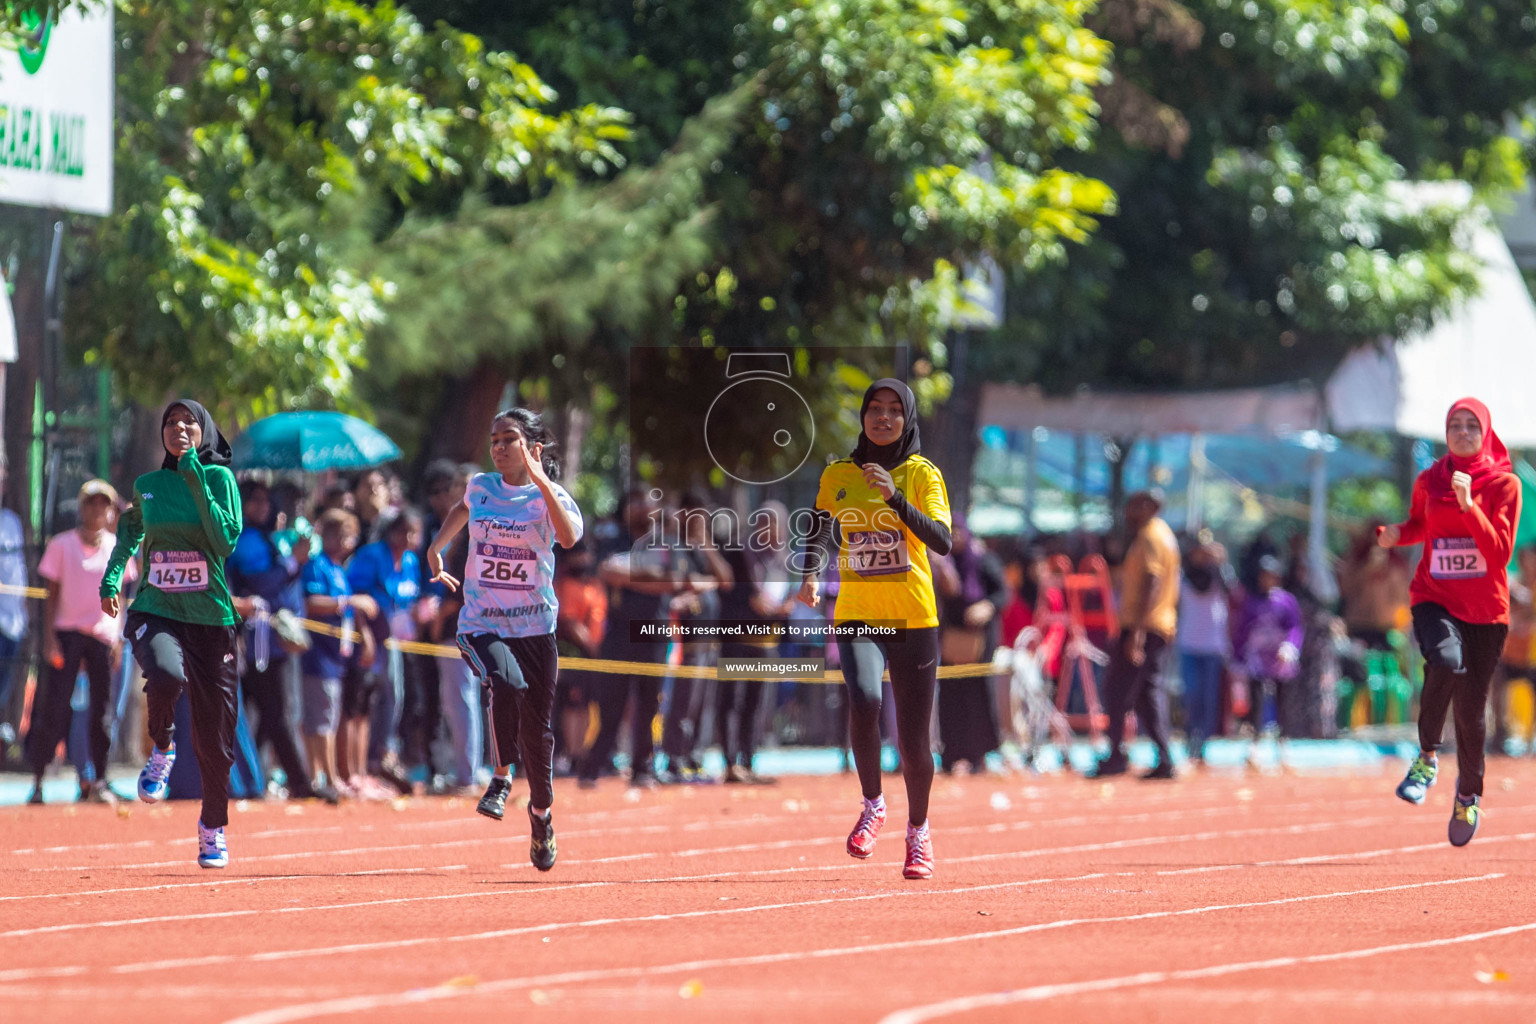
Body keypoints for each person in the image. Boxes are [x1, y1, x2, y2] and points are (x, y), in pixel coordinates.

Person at [799, 378, 952, 880]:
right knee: (864, 701)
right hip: (858, 614)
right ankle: (873, 804)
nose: (883, 418)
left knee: (912, 741)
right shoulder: (839, 473)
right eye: (874, 409)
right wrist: (809, 576)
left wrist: (895, 499)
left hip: (913, 617)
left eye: (894, 411)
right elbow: (820, 527)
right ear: (863, 416)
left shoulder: (922, 474)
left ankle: (919, 831)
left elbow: (942, 541)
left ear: (907, 420)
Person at [427, 407, 583, 871]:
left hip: (536, 626)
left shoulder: (549, 496)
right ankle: (499, 776)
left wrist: (540, 480)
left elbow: (570, 538)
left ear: (532, 448)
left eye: (507, 439)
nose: (496, 448)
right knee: (505, 682)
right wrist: (437, 549)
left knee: (539, 734)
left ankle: (542, 816)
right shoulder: (481, 486)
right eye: (493, 439)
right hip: (482, 621)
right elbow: (462, 509)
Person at [100, 400, 243, 868]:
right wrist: (111, 577)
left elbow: (223, 541)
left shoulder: (219, 479)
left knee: (216, 740)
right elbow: (128, 534)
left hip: (212, 620)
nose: (178, 428)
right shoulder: (147, 487)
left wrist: (194, 471)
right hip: (157, 609)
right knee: (164, 676)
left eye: (189, 423)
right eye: (170, 422)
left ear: (203, 432)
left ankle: (212, 828)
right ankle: (162, 747)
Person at [1382, 398, 1521, 845]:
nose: (1462, 433)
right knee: (1443, 660)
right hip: (1434, 596)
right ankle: (1425, 758)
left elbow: (1500, 553)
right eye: (1454, 426)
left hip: (1485, 613)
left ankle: (1468, 795)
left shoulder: (1504, 484)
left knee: (1470, 711)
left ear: (1485, 432)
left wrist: (1468, 505)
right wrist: (1396, 535)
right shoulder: (1429, 480)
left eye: (1470, 426)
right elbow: (1421, 526)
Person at [28, 480, 133, 804]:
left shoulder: (118, 547)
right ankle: (39, 778)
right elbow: (51, 596)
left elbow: (121, 597)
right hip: (67, 634)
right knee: (54, 708)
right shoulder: (62, 544)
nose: (97, 510)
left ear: (111, 510)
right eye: (91, 503)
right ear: (82, 507)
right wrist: (49, 640)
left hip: (102, 636)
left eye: (104, 504)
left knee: (102, 711)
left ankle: (98, 779)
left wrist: (117, 639)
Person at [580, 489, 685, 789]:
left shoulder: (667, 544)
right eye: (634, 502)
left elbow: (674, 581)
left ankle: (642, 769)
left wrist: (631, 574)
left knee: (649, 706)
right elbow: (605, 571)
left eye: (645, 502)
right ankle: (592, 768)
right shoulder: (613, 540)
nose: (639, 508)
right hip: (618, 633)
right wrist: (652, 576)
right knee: (610, 704)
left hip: (654, 633)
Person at [226, 478, 319, 800]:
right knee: (275, 713)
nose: (262, 507)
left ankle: (258, 778)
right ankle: (298, 781)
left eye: (267, 501)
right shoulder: (246, 539)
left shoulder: (269, 537)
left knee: (266, 716)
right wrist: (294, 561)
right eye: (255, 501)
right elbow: (262, 584)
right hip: (255, 643)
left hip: (270, 642)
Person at [1094, 491, 1180, 780]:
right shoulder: (1161, 535)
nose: (1128, 511)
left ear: (1148, 507)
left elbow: (1152, 583)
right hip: (1155, 624)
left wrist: (1138, 635)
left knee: (1117, 691)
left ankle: (1117, 755)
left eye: (1133, 505)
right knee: (1145, 694)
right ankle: (1165, 757)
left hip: (1144, 626)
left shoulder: (1151, 537)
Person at [300, 509, 380, 798]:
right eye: (342, 535)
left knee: (329, 716)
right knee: (321, 717)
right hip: (318, 654)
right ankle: (325, 777)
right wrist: (348, 601)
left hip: (336, 656)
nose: (347, 542)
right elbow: (311, 601)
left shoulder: (338, 568)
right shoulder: (316, 566)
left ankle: (325, 776)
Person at [717, 500, 793, 784]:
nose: (769, 530)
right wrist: (751, 601)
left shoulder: (784, 558)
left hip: (767, 643)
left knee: (756, 703)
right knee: (732, 700)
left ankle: (747, 761)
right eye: (764, 523)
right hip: (737, 639)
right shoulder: (740, 553)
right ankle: (729, 763)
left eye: (774, 524)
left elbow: (788, 592)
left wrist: (785, 607)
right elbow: (728, 591)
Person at [348, 506, 423, 794]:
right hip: (366, 640)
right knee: (364, 699)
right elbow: (356, 595)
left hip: (393, 641)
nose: (411, 537)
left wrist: (417, 615)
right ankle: (366, 761)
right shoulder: (371, 556)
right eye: (406, 531)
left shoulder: (411, 561)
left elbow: (406, 601)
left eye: (415, 532)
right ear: (393, 531)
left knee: (395, 695)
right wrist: (364, 634)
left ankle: (383, 755)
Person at [934, 514, 1007, 773]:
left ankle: (979, 754)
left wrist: (986, 606)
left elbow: (1001, 593)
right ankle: (951, 753)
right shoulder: (945, 562)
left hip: (980, 640)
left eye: (957, 531)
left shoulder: (985, 560)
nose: (954, 536)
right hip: (953, 638)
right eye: (949, 532)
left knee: (978, 694)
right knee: (951, 694)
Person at [1230, 555, 1303, 744]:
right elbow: (1242, 631)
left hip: (1280, 658)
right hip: (1258, 659)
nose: (1267, 579)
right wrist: (1237, 658)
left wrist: (1290, 647)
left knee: (1283, 702)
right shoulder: (1252, 602)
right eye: (1264, 575)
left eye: (1271, 575)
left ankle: (1283, 743)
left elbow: (1295, 627)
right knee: (1257, 700)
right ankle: (1255, 744)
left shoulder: (1286, 601)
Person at [1177, 539, 1230, 765]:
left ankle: (1203, 744)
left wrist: (1221, 563)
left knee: (1209, 699)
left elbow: (1233, 590)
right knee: (1191, 696)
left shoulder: (1219, 576)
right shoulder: (1182, 577)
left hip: (1213, 647)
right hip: (1189, 644)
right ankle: (1190, 738)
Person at [1490, 545, 1536, 753]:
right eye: (1526, 559)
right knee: (1496, 681)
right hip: (1510, 657)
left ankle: (1530, 738)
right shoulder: (1513, 584)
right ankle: (1500, 733)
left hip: (1532, 659)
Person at [1338, 523, 1411, 650]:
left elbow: (1402, 596)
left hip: (1387, 628)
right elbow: (1345, 588)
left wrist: (1387, 570)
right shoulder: (1356, 559)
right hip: (1359, 625)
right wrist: (1367, 568)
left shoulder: (1397, 564)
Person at [0, 454, 28, 751]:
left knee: (3, 694)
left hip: (11, 623)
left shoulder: (11, 522)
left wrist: (24, 613)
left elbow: (19, 571)